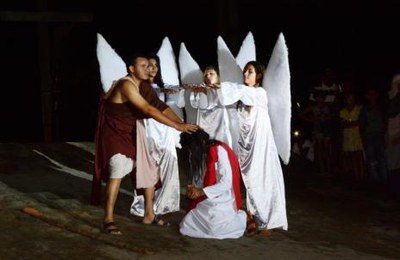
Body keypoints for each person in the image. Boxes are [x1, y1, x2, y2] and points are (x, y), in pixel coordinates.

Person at [91, 53, 199, 235]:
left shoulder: (145, 86)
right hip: (116, 133)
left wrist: (182, 123)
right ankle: (108, 218)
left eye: (148, 65)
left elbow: (160, 106)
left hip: (135, 130)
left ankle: (149, 214)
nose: (148, 68)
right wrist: (176, 126)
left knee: (148, 167)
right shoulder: (126, 84)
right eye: (143, 65)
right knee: (118, 168)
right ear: (132, 69)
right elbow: (147, 109)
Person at [206, 61, 288, 237]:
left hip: (262, 146)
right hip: (246, 147)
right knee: (249, 181)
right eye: (244, 72)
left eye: (250, 72)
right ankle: (253, 219)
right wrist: (210, 89)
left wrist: (219, 85)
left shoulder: (259, 93)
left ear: (258, 75)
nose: (245, 75)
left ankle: (269, 222)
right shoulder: (241, 98)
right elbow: (224, 102)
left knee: (262, 180)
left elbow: (240, 91)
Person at [130, 53, 182, 218]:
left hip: (163, 127)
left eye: (155, 65)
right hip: (148, 125)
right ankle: (147, 204)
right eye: (149, 65)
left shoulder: (160, 86)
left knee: (168, 163)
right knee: (149, 164)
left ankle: (165, 202)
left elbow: (165, 104)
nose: (152, 68)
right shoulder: (138, 85)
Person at [179, 129, 246, 239]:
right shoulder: (203, 152)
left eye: (192, 149)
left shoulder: (220, 151)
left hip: (224, 196)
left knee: (214, 229)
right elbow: (202, 179)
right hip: (209, 194)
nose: (191, 153)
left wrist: (201, 191)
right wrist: (194, 189)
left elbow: (226, 183)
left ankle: (242, 218)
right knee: (186, 224)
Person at [190, 65, 239, 155]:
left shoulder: (224, 88)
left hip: (220, 126)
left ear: (218, 76)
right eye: (206, 75)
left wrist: (217, 89)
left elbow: (224, 101)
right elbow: (196, 105)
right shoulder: (203, 89)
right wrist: (200, 92)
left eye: (211, 74)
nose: (208, 76)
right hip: (206, 127)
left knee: (223, 153)